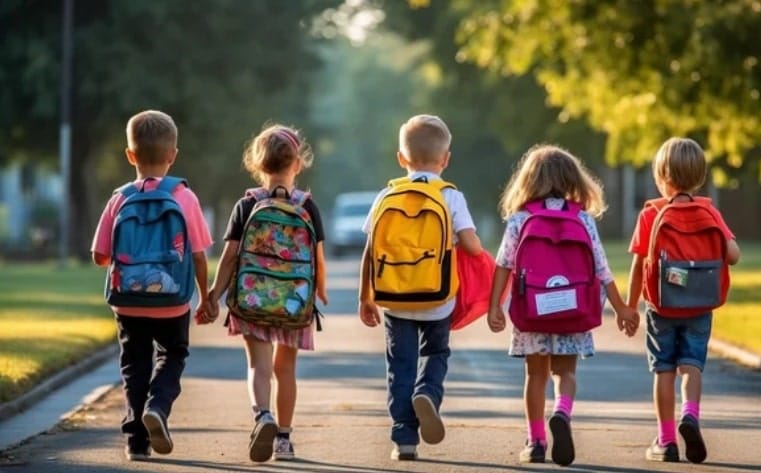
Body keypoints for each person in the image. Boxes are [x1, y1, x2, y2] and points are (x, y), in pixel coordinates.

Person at [487, 144, 639, 466]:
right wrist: (622, 308)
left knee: (535, 375)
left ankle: (536, 441)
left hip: (532, 311)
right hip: (575, 310)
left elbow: (503, 264)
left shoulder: (520, 219)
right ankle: (562, 412)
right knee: (565, 371)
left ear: (529, 180)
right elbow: (601, 269)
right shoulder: (582, 218)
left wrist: (495, 306)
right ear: (574, 179)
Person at [358, 114, 484, 461]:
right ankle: (427, 392)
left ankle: (404, 437)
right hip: (438, 296)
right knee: (436, 353)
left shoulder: (387, 195)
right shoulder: (450, 196)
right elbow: (472, 246)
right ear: (445, 159)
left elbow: (370, 251)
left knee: (400, 363)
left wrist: (364, 297)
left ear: (402, 159)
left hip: (394, 298)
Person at [91, 110, 213, 461]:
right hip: (172, 299)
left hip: (128, 300)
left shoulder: (119, 198)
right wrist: (205, 297)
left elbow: (100, 255)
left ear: (130, 155)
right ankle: (158, 406)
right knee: (173, 353)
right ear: (173, 154)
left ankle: (136, 442)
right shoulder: (184, 197)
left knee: (134, 364)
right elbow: (200, 256)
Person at [204, 123, 328, 462]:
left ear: (257, 164)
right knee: (285, 369)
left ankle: (263, 416)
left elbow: (230, 257)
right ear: (298, 164)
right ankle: (284, 440)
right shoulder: (308, 206)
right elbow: (317, 257)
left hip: (252, 300)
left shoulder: (247, 205)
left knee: (258, 366)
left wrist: (213, 296)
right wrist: (321, 291)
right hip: (294, 303)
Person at [626, 137, 740, 464]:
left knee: (664, 371)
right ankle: (690, 414)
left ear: (661, 178)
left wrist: (630, 307)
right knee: (691, 366)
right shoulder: (709, 211)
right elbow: (733, 255)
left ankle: (665, 441)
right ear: (699, 177)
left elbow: (638, 266)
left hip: (661, 307)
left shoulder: (651, 214)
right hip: (700, 306)